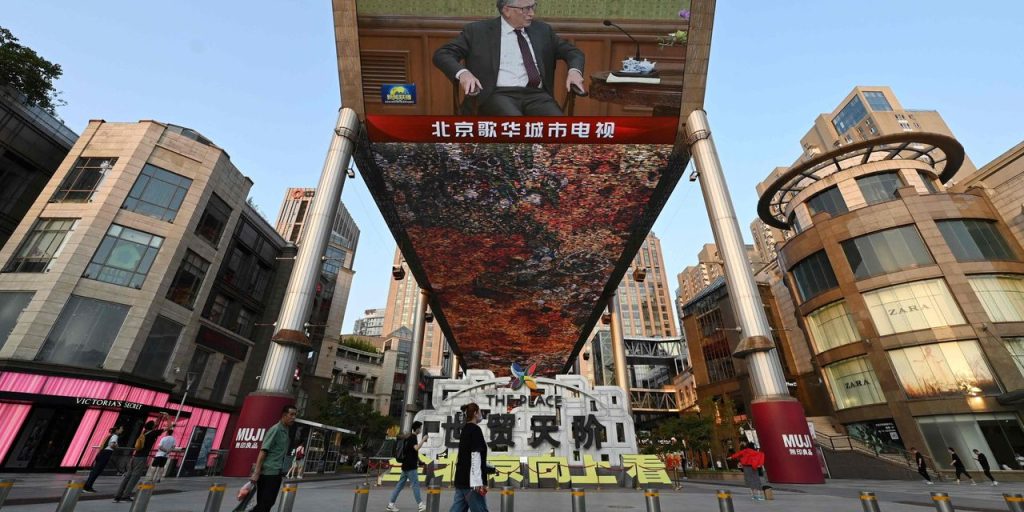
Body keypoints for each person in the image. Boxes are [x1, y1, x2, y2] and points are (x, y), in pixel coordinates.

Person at [433, 0, 585, 116]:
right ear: (507, 10)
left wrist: (574, 71)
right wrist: (463, 73)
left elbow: (573, 52)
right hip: (497, 94)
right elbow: (443, 54)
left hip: (536, 95)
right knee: (514, 126)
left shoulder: (542, 30)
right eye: (525, 9)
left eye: (533, 6)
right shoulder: (478, 31)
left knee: (558, 126)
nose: (532, 13)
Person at [114, 413, 170, 503]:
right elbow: (169, 427)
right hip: (141, 458)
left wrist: (159, 417)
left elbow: (154, 424)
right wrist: (168, 417)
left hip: (134, 457)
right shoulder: (153, 433)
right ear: (153, 427)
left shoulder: (144, 432)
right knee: (134, 477)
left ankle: (118, 495)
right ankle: (126, 495)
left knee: (127, 476)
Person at [251, 405, 297, 512]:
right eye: (291, 414)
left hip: (276, 472)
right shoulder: (275, 429)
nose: (293, 417)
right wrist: (256, 472)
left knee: (268, 503)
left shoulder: (286, 430)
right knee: (264, 504)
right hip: (268, 473)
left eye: (295, 415)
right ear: (284, 415)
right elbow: (263, 451)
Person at [449, 403, 489, 512]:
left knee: (457, 509)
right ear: (475, 413)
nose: (481, 414)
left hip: (461, 479)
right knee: (480, 510)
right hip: (471, 482)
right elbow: (475, 455)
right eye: (480, 412)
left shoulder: (465, 429)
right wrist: (478, 482)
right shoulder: (475, 430)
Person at [387, 421, 428, 512]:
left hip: (405, 465)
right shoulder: (413, 437)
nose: (421, 430)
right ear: (417, 429)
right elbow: (416, 448)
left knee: (399, 486)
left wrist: (419, 461)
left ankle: (391, 504)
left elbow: (411, 452)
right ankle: (420, 505)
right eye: (420, 428)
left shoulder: (408, 437)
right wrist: (423, 440)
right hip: (410, 467)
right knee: (415, 485)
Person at [83, 425, 123, 493]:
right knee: (97, 471)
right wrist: (116, 446)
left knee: (95, 470)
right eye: (121, 429)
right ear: (117, 430)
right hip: (106, 453)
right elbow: (112, 445)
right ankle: (87, 487)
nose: (122, 430)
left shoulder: (110, 435)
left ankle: (88, 486)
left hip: (102, 453)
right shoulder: (115, 436)